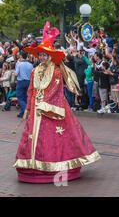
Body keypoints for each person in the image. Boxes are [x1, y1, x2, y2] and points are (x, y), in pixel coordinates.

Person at [14, 22, 100, 183]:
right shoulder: (34, 70)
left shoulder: (56, 71)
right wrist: (29, 107)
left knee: (53, 136)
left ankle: (54, 164)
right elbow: (31, 90)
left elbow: (56, 89)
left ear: (50, 56)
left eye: (45, 55)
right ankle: (33, 164)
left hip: (51, 109)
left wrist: (44, 104)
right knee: (33, 136)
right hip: (36, 110)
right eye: (40, 54)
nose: (42, 57)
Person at [15, 51, 33, 118]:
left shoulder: (19, 64)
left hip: (21, 82)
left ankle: (26, 109)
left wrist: (15, 73)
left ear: (21, 56)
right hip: (28, 82)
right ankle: (22, 113)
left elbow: (16, 74)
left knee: (19, 97)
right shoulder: (30, 65)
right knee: (26, 97)